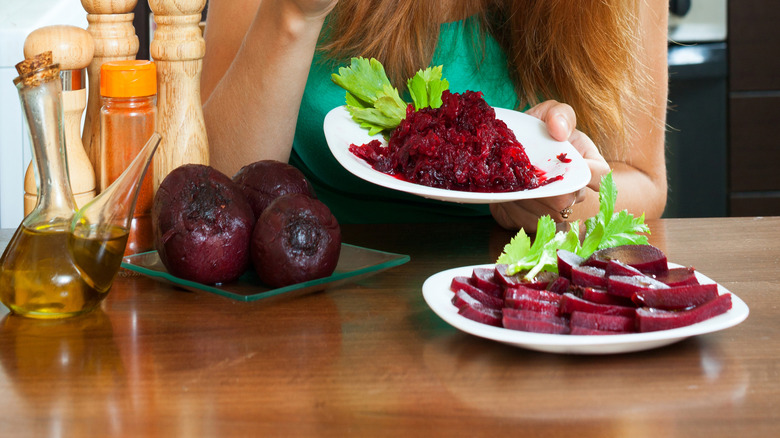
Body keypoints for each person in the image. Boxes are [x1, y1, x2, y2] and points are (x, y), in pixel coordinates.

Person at [200, 0, 668, 231]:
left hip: (518, 303)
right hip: (311, 301)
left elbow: (644, 181)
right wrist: (292, 15)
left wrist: (562, 198)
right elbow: (213, 193)